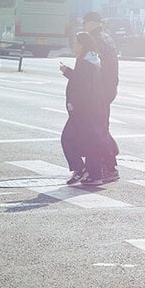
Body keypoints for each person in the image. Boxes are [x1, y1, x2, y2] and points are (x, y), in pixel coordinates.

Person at [60, 31, 108, 185]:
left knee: (67, 138)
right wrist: (67, 71)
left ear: (82, 45)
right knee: (89, 141)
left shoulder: (85, 62)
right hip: (93, 109)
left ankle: (80, 170)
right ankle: (92, 174)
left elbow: (83, 87)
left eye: (75, 42)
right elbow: (82, 80)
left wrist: (74, 104)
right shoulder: (90, 60)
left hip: (84, 110)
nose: (73, 45)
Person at [82, 11, 120, 181]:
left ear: (90, 23)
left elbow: (94, 69)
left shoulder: (94, 40)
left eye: (84, 23)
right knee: (101, 128)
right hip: (109, 88)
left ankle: (107, 167)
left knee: (97, 131)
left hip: (99, 90)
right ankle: (108, 166)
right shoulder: (107, 37)